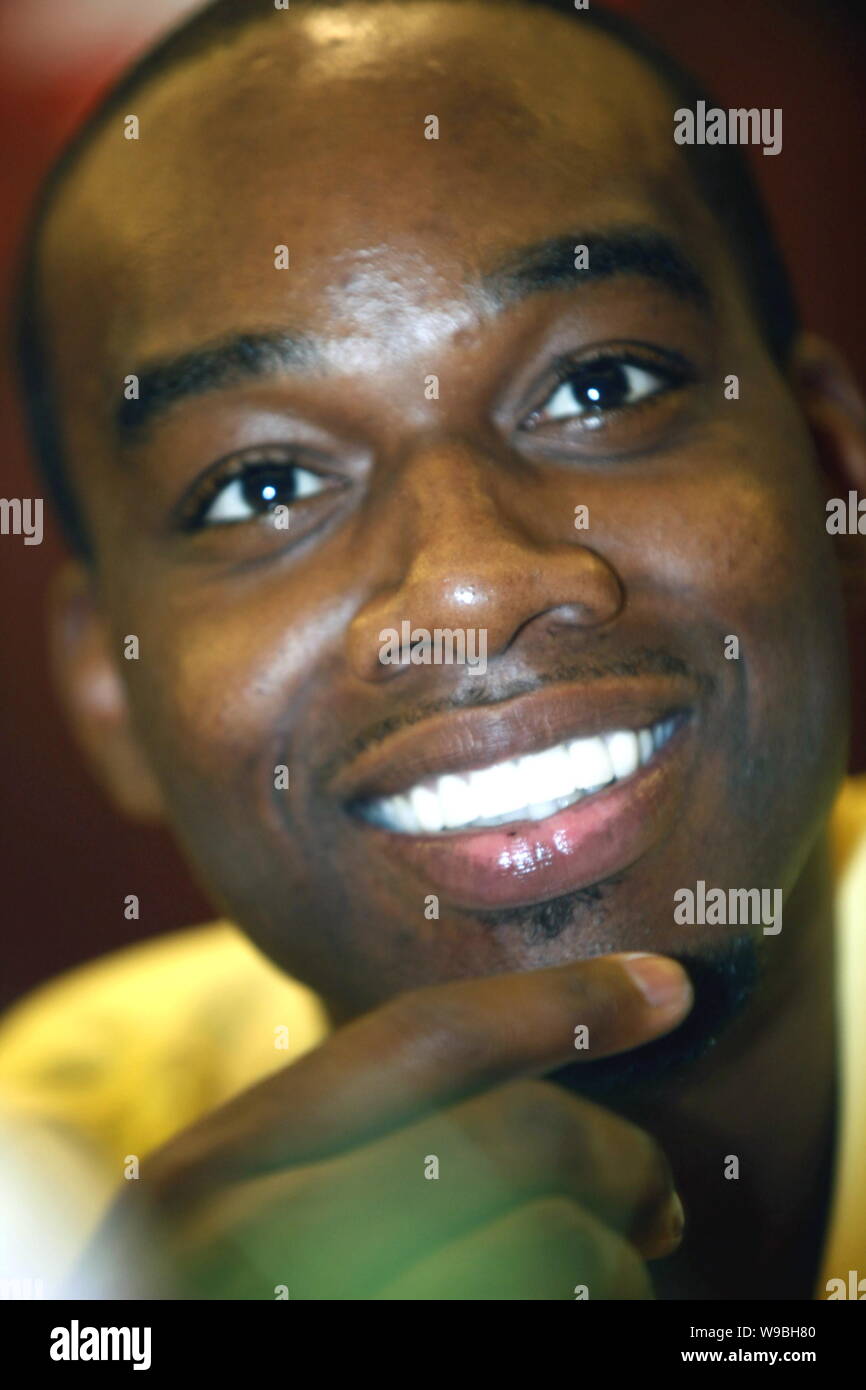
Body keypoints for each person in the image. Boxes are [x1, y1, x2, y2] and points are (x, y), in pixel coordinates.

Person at [2, 0, 866, 1300]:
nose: (466, 584)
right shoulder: (54, 1170)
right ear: (108, 693)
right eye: (260, 485)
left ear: (829, 469)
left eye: (598, 387)